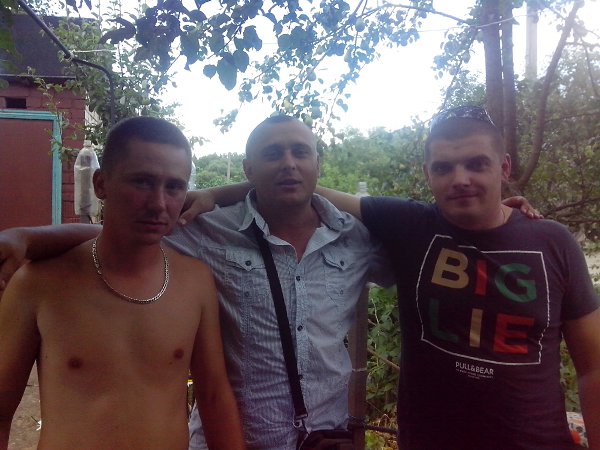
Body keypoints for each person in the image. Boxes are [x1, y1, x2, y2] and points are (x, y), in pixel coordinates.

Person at [0, 115, 391, 450]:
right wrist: (26, 238)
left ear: (317, 163)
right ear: (249, 170)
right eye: (273, 154)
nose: (159, 202)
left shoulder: (356, 239)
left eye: (300, 153)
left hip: (325, 438)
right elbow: (117, 235)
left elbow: (414, 248)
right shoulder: (209, 234)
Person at [314, 105, 600, 449]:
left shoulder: (553, 242)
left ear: (504, 167)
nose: (460, 179)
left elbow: (593, 367)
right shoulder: (411, 225)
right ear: (428, 174)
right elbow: (307, 191)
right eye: (443, 168)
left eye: (477, 164)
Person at [0, 117, 244, 450]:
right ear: (101, 184)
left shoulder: (195, 282)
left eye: (174, 187)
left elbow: (214, 395)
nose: (159, 203)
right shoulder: (39, 283)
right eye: (142, 182)